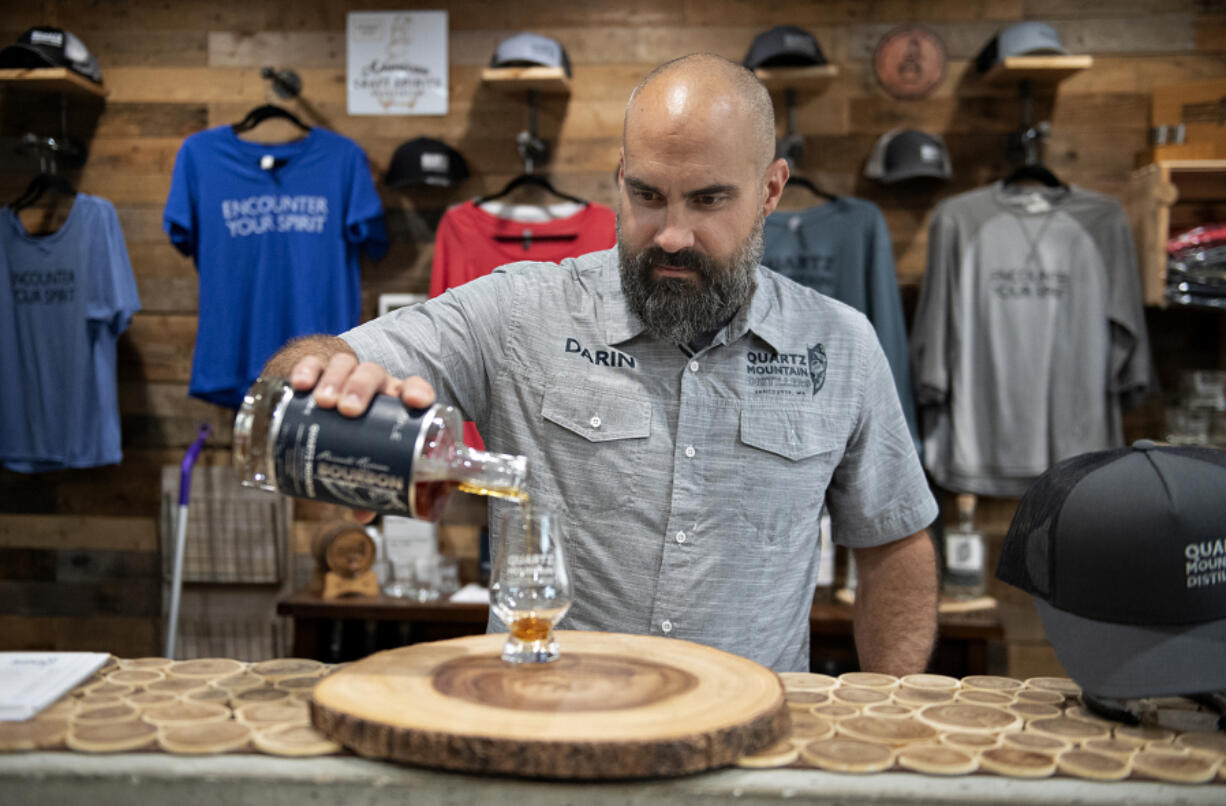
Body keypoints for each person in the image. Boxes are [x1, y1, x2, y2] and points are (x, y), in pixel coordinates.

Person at [264, 53, 939, 674]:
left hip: (750, 749)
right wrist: (322, 380)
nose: (672, 235)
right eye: (647, 196)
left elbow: (893, 544)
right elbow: (304, 373)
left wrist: (891, 707)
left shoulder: (840, 344)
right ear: (620, 178)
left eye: (708, 200)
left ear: (770, 190)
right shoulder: (519, 310)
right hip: (550, 734)